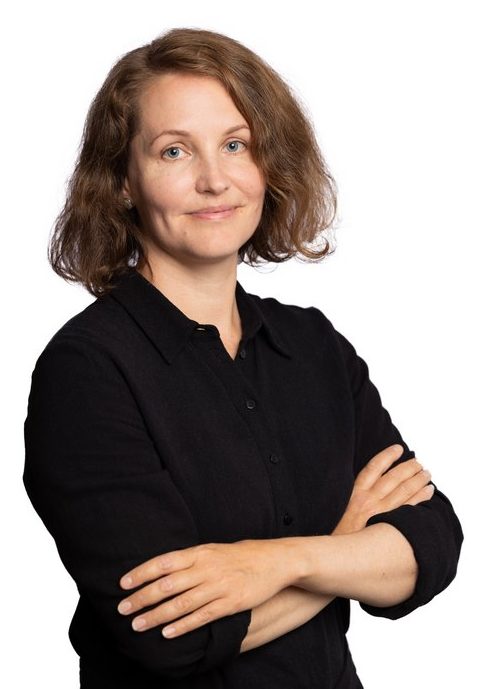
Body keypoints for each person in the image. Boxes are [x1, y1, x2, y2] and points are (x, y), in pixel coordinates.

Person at [23, 27, 463, 689]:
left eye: (236, 144)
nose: (214, 179)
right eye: (175, 150)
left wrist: (274, 560)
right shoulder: (87, 371)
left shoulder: (313, 347)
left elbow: (431, 545)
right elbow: (170, 637)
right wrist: (344, 549)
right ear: (120, 181)